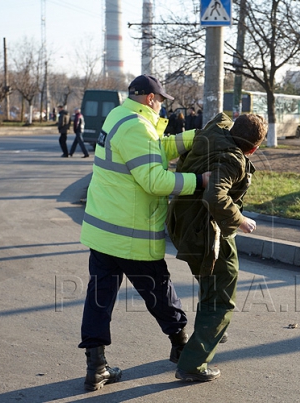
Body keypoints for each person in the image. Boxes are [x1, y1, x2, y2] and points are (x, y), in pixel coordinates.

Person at [78, 74, 211, 392]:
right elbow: (155, 179)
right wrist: (198, 181)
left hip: (104, 231)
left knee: (99, 300)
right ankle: (181, 350)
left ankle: (96, 367)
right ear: (152, 99)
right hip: (131, 233)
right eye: (161, 100)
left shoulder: (120, 116)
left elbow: (156, 149)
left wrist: (195, 137)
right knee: (161, 293)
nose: (162, 106)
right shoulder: (138, 126)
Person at [167, 112, 267, 382]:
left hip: (183, 222)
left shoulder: (216, 132)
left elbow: (220, 118)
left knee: (211, 285)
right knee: (221, 295)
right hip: (207, 233)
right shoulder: (233, 159)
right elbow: (215, 195)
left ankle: (208, 335)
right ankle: (192, 364)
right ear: (254, 148)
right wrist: (241, 220)